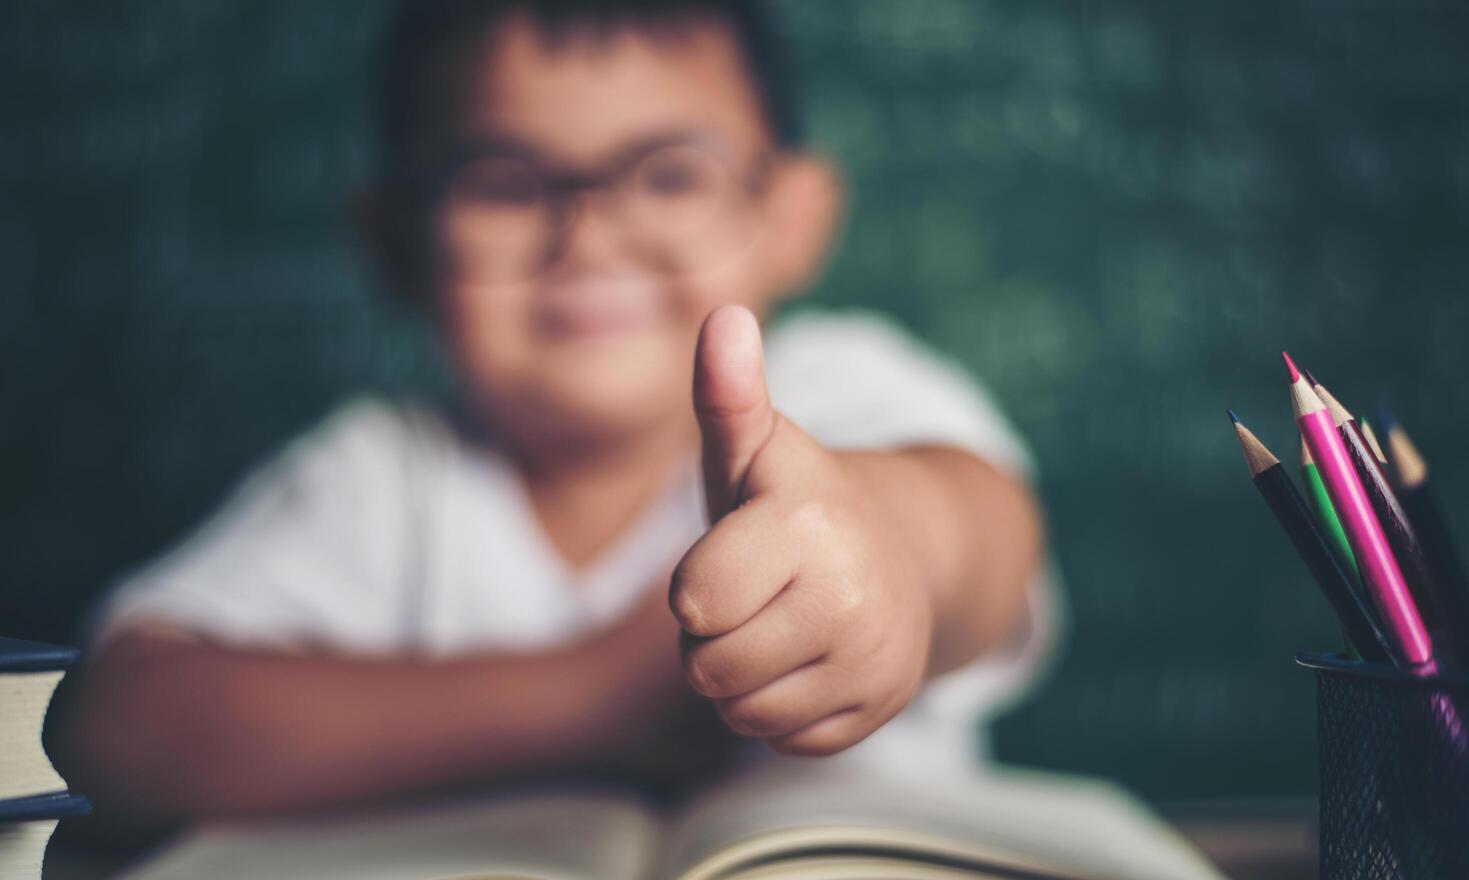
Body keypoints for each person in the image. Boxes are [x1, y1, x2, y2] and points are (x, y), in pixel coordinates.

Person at [54, 0, 1054, 822]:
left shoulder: (842, 384)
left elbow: (988, 530)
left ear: (790, 216)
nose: (586, 236)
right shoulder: (383, 476)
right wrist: (595, 696)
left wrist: (886, 552)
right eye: (502, 182)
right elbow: (119, 721)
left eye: (668, 174)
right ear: (397, 242)